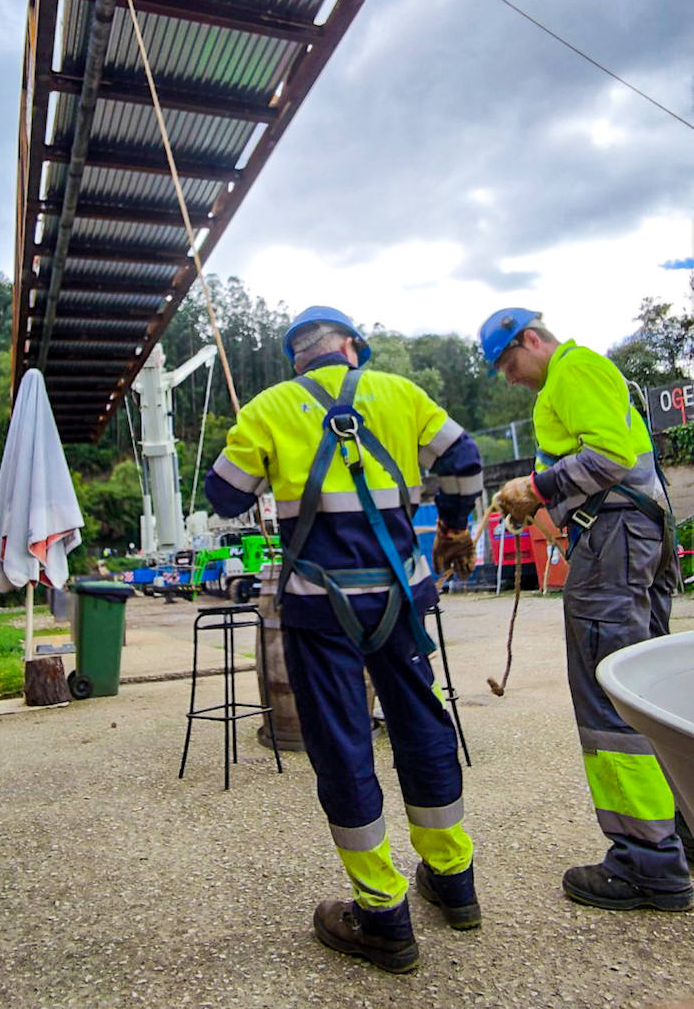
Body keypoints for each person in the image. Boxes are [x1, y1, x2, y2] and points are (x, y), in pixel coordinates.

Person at [206, 305, 483, 973]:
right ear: (351, 348)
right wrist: (449, 525)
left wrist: (262, 446)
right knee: (421, 726)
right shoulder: (399, 393)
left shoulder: (270, 407)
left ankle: (383, 915)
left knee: (342, 747)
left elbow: (220, 496)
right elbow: (465, 460)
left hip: (318, 609)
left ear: (295, 361)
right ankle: (452, 880)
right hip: (399, 596)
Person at [478, 307, 694, 913]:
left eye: (509, 362)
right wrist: (545, 494)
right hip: (633, 538)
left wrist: (536, 489)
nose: (509, 377)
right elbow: (605, 461)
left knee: (611, 699)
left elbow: (609, 456)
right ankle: (678, 834)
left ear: (531, 340)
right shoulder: (581, 377)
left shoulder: (573, 369)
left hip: (615, 544)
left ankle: (647, 861)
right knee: (647, 691)